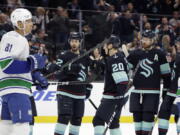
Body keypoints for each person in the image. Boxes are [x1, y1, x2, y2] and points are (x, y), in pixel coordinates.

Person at [0, 8, 47, 135]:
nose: (32, 23)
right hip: (16, 89)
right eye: (29, 21)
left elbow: (17, 65)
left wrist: (35, 75)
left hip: (10, 90)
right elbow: (7, 65)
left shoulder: (14, 38)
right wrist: (33, 62)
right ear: (20, 23)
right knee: (22, 125)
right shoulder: (14, 37)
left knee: (7, 126)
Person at [127, 31, 171, 135]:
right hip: (136, 92)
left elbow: (166, 75)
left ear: (153, 41)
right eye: (143, 39)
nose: (143, 41)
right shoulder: (135, 53)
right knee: (137, 119)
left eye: (146, 39)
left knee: (147, 118)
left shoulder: (160, 54)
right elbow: (125, 68)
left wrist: (165, 92)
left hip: (152, 93)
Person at [53, 32, 93, 135]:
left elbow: (86, 73)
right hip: (65, 92)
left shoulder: (85, 56)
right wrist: (68, 70)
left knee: (77, 119)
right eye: (72, 41)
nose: (74, 44)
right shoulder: (63, 55)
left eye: (76, 41)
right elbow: (56, 74)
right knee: (64, 118)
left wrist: (88, 86)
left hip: (80, 94)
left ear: (80, 42)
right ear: (69, 42)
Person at [92, 35, 129, 135]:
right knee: (113, 123)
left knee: (98, 120)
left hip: (113, 97)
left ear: (110, 46)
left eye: (105, 46)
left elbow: (122, 81)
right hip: (118, 96)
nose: (103, 48)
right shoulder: (118, 57)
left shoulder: (115, 59)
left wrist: (120, 98)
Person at [158, 37, 180, 135]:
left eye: (178, 43)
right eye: (177, 43)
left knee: (178, 116)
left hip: (178, 91)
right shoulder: (177, 56)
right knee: (163, 113)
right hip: (172, 91)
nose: (177, 45)